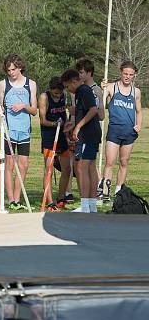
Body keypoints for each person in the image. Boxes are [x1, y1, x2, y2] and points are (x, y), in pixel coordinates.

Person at [0, 54, 38, 210]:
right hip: (9, 130)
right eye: (8, 70)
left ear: (20, 67)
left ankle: (17, 197)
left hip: (24, 130)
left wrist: (23, 106)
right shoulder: (3, 84)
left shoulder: (30, 84)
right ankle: (11, 200)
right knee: (9, 164)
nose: (11, 73)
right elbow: (0, 106)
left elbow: (34, 111)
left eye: (13, 69)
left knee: (23, 165)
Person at [62, 68, 101, 213]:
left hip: (87, 135)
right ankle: (91, 205)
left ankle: (85, 205)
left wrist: (78, 126)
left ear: (74, 81)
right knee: (89, 167)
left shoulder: (83, 90)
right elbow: (84, 113)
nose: (67, 89)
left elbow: (93, 110)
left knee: (81, 168)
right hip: (90, 133)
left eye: (67, 86)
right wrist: (73, 123)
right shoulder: (81, 92)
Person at [102, 61, 142, 197]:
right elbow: (101, 97)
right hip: (114, 131)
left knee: (124, 162)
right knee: (109, 162)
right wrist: (103, 88)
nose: (127, 77)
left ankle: (119, 192)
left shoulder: (136, 92)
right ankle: (105, 192)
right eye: (125, 73)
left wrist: (139, 125)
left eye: (130, 74)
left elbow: (139, 111)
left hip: (129, 132)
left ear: (134, 75)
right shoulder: (112, 88)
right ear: (121, 72)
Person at [75, 58, 106, 199]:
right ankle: (90, 202)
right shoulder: (80, 89)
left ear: (89, 73)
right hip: (83, 132)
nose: (79, 75)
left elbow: (100, 115)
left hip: (89, 133)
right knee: (88, 167)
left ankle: (88, 201)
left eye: (81, 72)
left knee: (85, 167)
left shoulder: (95, 90)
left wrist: (92, 107)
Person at [38, 76, 71, 211]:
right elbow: (42, 120)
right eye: (55, 93)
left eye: (59, 92)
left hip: (62, 135)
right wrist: (54, 124)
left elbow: (65, 114)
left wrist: (67, 125)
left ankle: (61, 198)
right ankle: (50, 202)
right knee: (49, 170)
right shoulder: (44, 97)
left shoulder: (64, 95)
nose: (57, 95)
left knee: (67, 168)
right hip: (49, 136)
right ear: (51, 89)